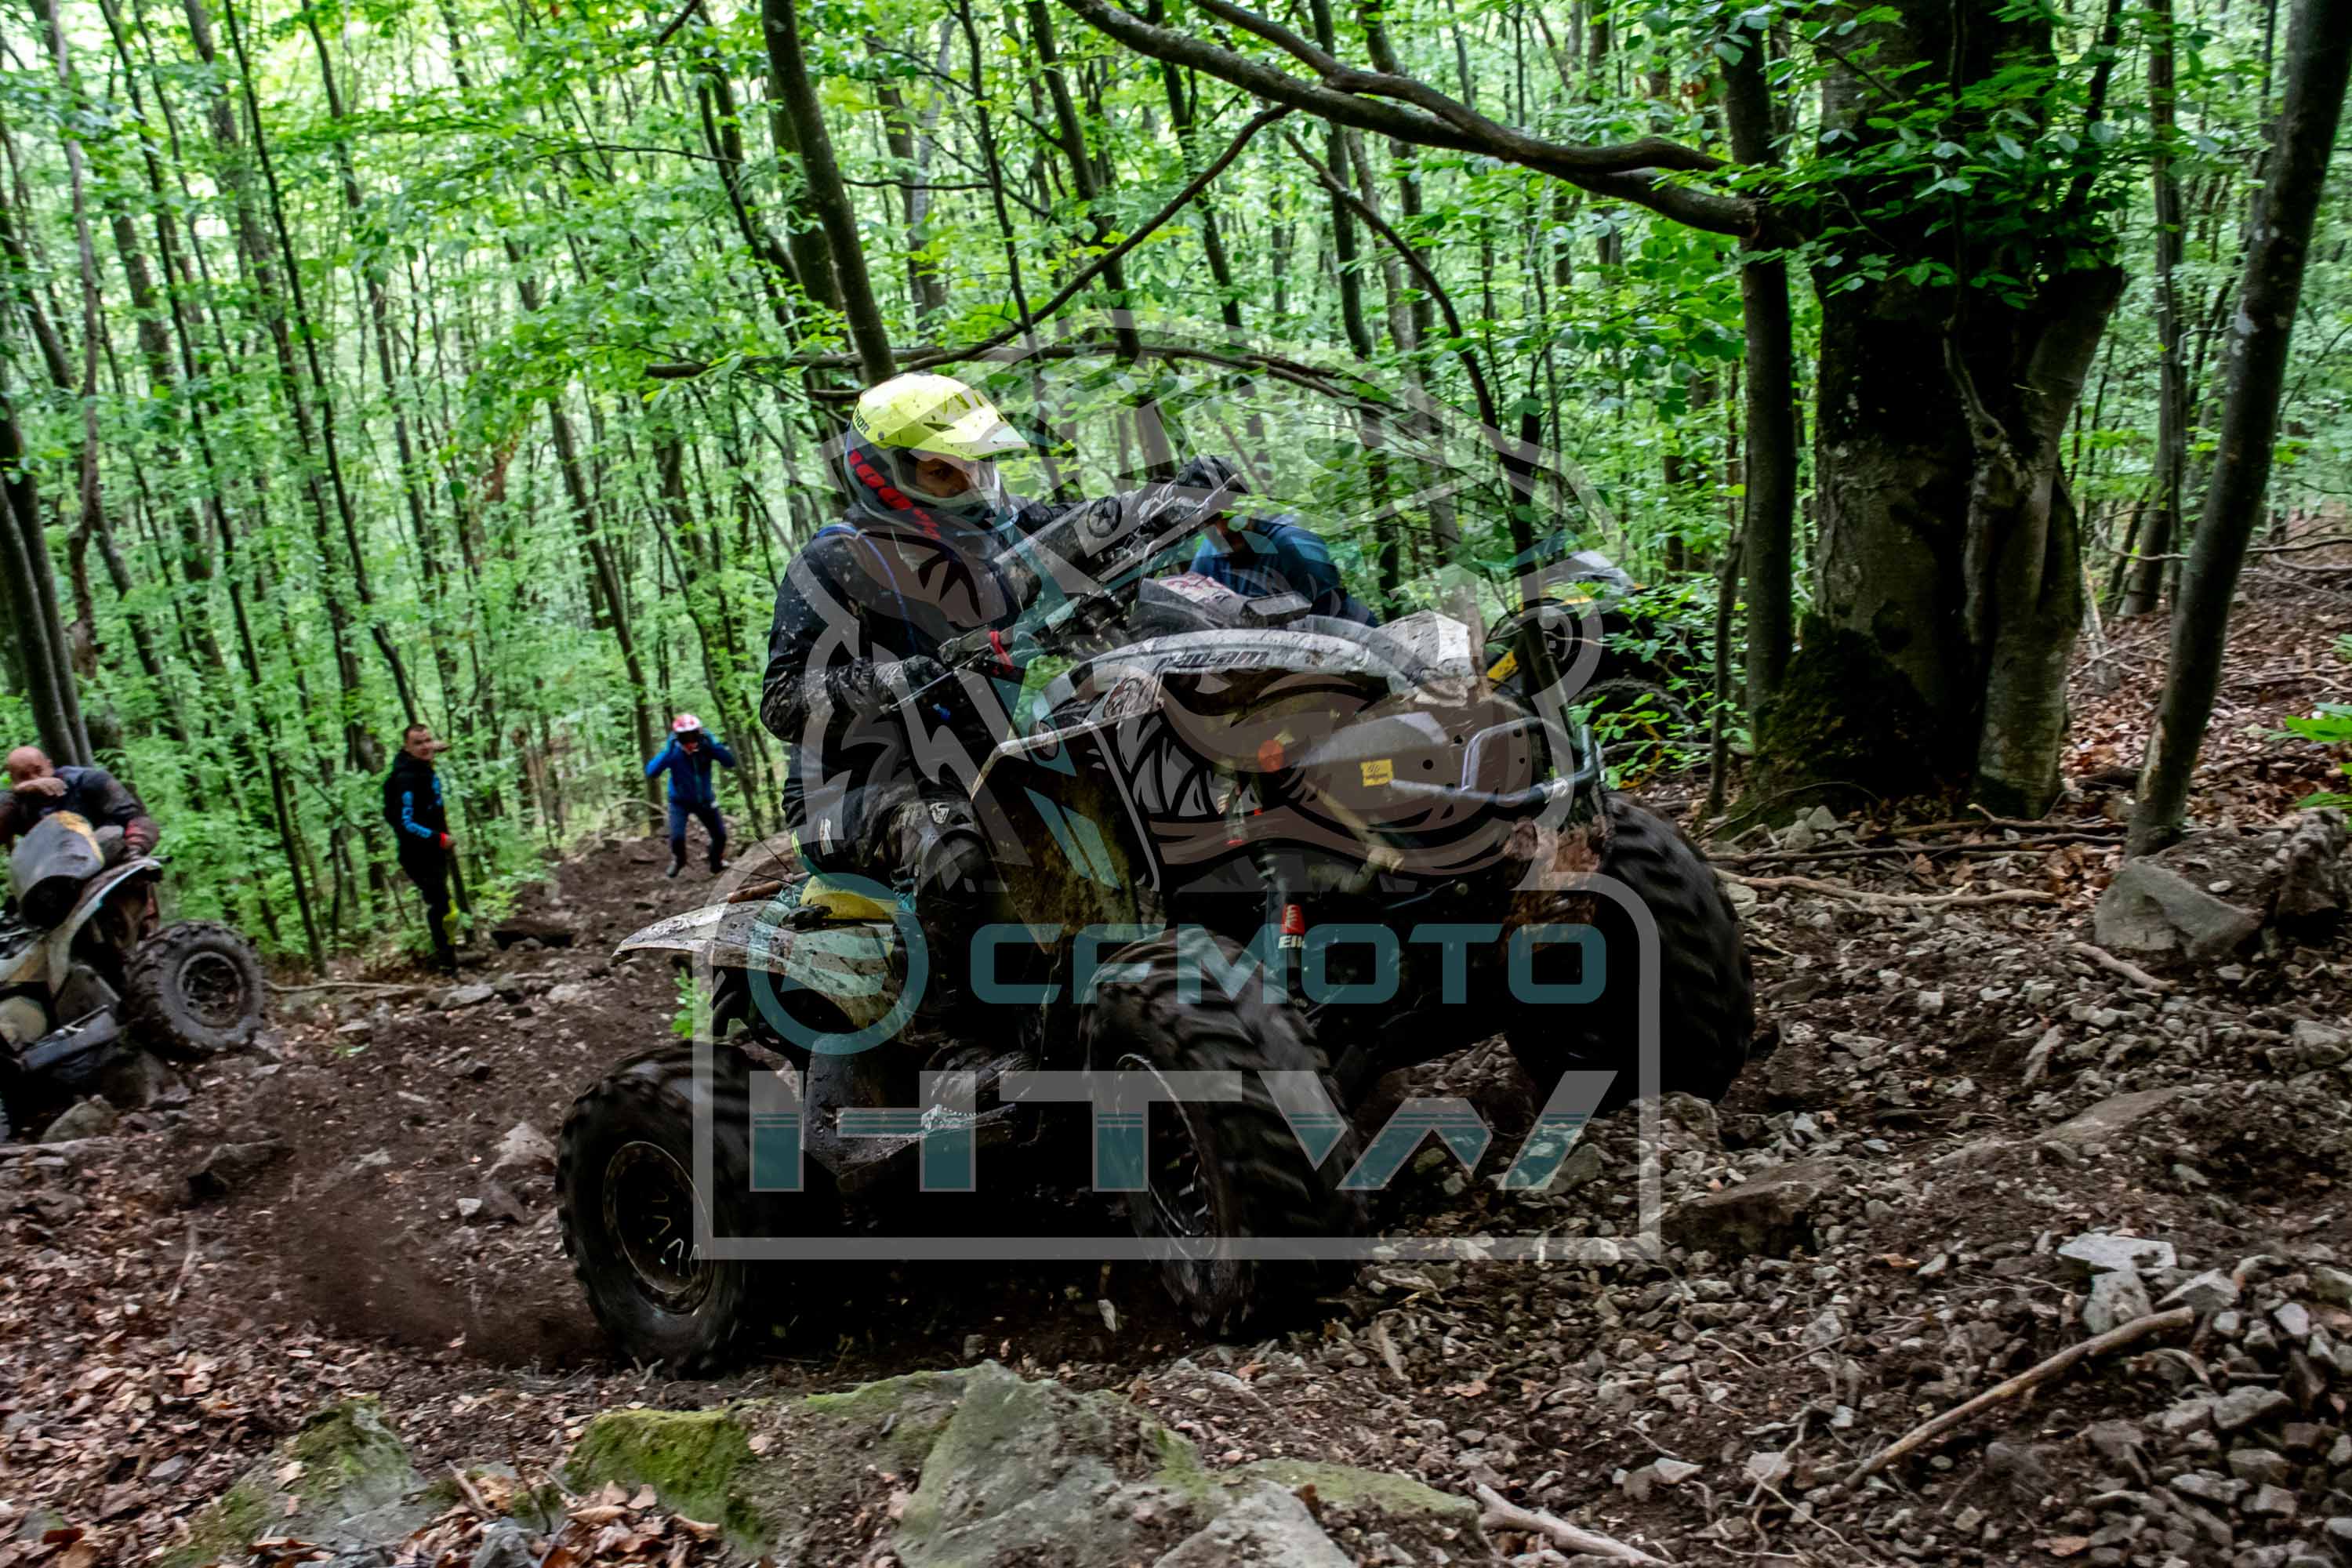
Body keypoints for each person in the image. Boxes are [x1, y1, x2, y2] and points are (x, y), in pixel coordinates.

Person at [759, 372, 1236, 1014]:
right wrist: (909, 675)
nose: (971, 484)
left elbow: (1096, 530)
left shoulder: (1010, 530)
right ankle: (955, 1024)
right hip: (853, 791)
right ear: (883, 473)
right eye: (944, 472)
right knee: (963, 850)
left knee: (1152, 791)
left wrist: (1178, 499)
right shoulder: (836, 562)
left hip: (984, 767)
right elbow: (782, 699)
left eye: (977, 465)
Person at [1188, 511, 1379, 625]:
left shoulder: (1295, 547)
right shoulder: (1207, 557)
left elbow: (1332, 621)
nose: (1222, 530)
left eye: (1228, 517)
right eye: (1209, 522)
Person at [382, 724, 458, 976]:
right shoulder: (406, 779)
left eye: (428, 740)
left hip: (436, 851)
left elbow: (429, 749)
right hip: (418, 855)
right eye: (418, 743)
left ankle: (449, 959)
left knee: (445, 906)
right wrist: (438, 838)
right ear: (406, 747)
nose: (425, 746)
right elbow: (405, 823)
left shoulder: (421, 764)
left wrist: (435, 747)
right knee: (442, 907)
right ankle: (447, 965)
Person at [0, 746, 160, 862]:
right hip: (55, 876)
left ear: (50, 765)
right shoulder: (18, 803)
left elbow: (139, 820)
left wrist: (134, 850)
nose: (36, 780)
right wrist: (18, 791)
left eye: (38, 771)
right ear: (14, 781)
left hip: (111, 861)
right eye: (24, 776)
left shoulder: (90, 780)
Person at [645, 713, 736, 877]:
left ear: (700, 733)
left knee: (720, 836)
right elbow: (652, 772)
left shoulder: (707, 748)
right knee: (677, 838)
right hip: (679, 802)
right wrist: (668, 750)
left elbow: (730, 762)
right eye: (684, 738)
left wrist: (714, 744)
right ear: (677, 737)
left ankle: (716, 863)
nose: (690, 742)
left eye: (693, 736)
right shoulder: (673, 752)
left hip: (705, 800)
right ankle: (679, 860)